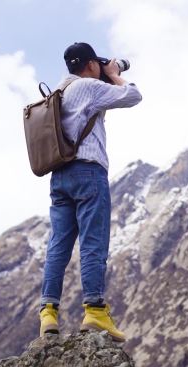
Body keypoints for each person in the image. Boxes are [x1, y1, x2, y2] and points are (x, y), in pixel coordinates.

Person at [38, 42, 142, 341]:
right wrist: (115, 74)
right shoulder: (88, 88)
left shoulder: (59, 91)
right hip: (88, 171)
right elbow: (134, 95)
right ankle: (95, 311)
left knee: (58, 245)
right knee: (93, 242)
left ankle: (48, 312)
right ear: (91, 65)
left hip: (60, 176)